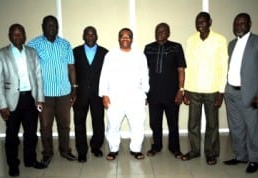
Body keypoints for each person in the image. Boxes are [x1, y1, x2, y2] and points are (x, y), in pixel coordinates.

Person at [0, 24, 47, 177]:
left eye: (20, 34)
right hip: (11, 101)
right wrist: (2, 105)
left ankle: (30, 160)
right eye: (14, 34)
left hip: (30, 98)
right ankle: (13, 164)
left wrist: (40, 98)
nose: (18, 37)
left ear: (25, 36)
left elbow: (38, 76)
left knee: (31, 134)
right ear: (10, 36)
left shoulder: (32, 52)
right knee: (11, 136)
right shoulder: (0, 54)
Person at [223, 13, 258, 173]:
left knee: (252, 128)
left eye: (242, 23)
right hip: (231, 92)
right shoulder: (231, 44)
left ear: (249, 24)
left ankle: (255, 159)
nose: (238, 26)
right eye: (236, 23)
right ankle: (240, 155)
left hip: (250, 94)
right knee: (236, 127)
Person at [28, 15, 77, 166]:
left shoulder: (65, 44)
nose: (52, 28)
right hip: (44, 95)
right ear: (43, 26)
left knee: (64, 125)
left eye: (54, 25)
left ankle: (65, 150)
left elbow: (71, 67)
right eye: (48, 25)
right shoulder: (33, 44)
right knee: (45, 126)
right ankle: (47, 153)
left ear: (58, 27)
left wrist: (74, 88)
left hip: (64, 93)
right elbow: (29, 69)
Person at [181, 12, 228, 165]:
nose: (200, 24)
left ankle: (211, 153)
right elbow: (187, 66)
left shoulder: (220, 40)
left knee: (212, 124)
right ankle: (194, 151)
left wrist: (221, 91)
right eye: (197, 22)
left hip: (212, 89)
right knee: (193, 123)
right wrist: (185, 89)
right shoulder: (191, 40)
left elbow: (223, 66)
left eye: (203, 21)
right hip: (193, 88)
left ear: (210, 22)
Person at [99, 28, 149, 161]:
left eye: (128, 36)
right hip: (115, 97)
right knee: (113, 124)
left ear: (132, 39)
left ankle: (136, 149)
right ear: (118, 38)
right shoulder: (110, 55)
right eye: (122, 36)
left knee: (138, 124)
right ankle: (114, 149)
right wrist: (104, 94)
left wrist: (145, 93)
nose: (125, 39)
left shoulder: (140, 56)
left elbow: (145, 75)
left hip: (136, 97)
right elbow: (104, 75)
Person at [144, 23, 186, 159]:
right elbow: (143, 71)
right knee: (155, 122)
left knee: (173, 122)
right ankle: (156, 146)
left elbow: (181, 69)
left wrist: (181, 90)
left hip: (172, 93)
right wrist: (144, 92)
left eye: (163, 31)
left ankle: (174, 147)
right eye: (158, 31)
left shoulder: (176, 47)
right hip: (153, 92)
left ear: (169, 33)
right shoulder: (148, 48)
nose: (160, 33)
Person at [73, 26, 108, 163]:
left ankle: (96, 147)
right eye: (87, 34)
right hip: (80, 94)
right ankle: (82, 151)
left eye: (93, 34)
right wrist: (73, 90)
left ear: (97, 36)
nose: (90, 37)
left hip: (98, 94)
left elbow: (108, 75)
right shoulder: (75, 52)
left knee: (98, 121)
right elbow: (71, 72)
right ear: (83, 36)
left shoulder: (105, 53)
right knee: (79, 123)